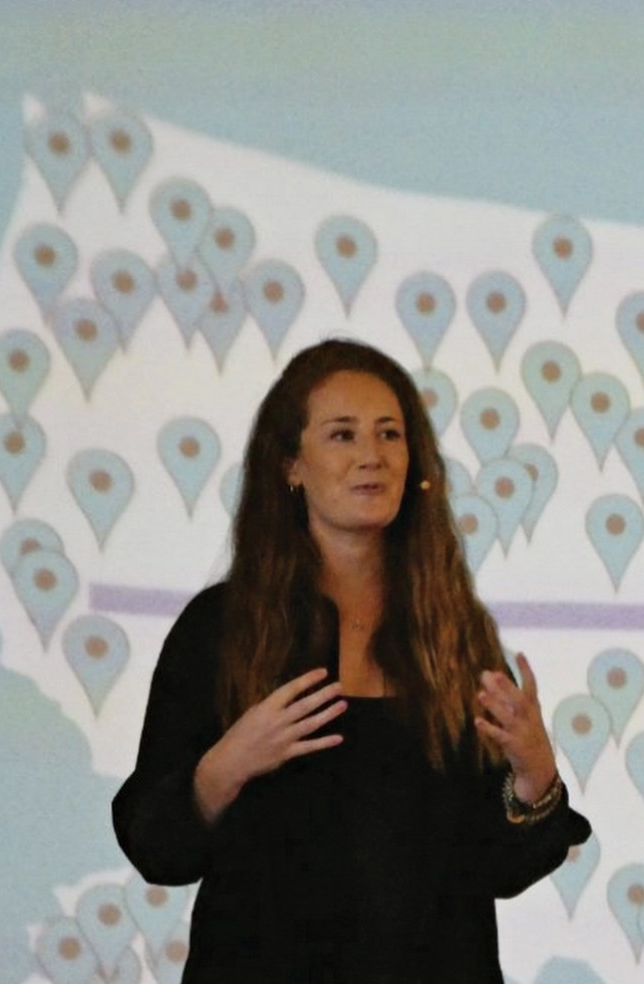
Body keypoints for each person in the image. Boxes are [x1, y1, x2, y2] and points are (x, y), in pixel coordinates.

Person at [113, 338, 590, 982]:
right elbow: (156, 847)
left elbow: (495, 867)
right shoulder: (221, 628)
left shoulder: (454, 632)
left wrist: (534, 774)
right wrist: (226, 765)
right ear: (291, 465)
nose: (372, 455)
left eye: (390, 435)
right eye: (342, 435)